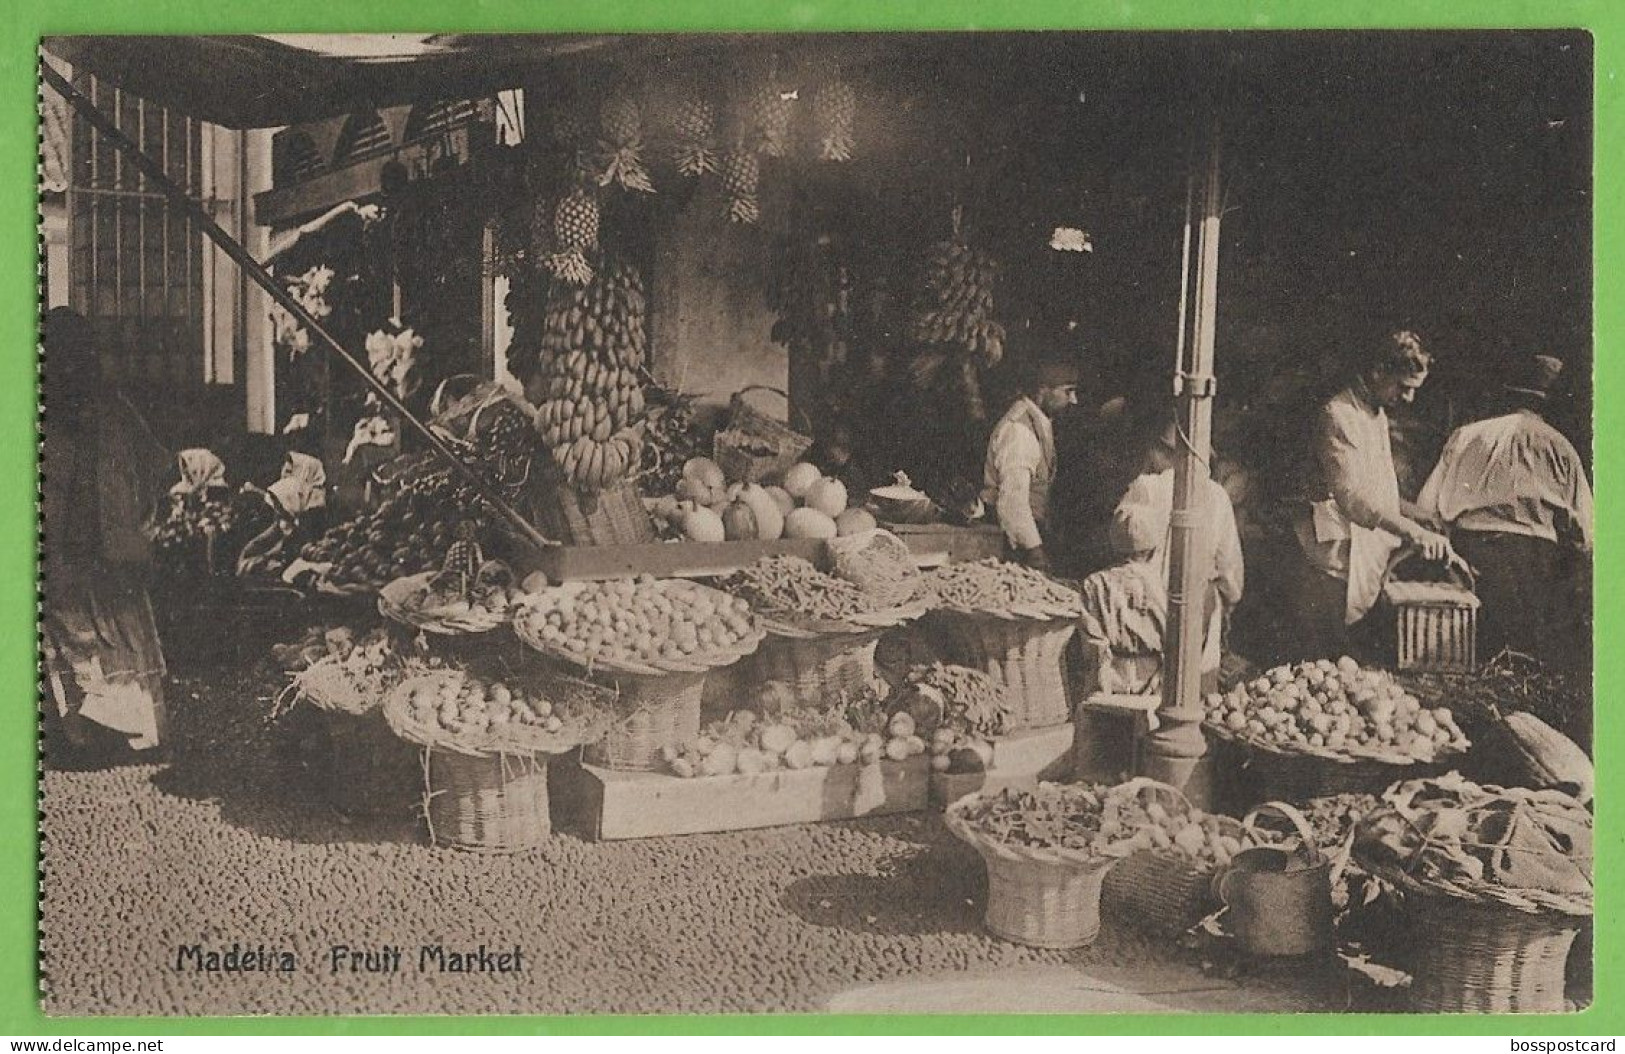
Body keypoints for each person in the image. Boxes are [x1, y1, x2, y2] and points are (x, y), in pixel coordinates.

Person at [40, 307, 173, 758]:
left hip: (105, 550)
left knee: (108, 634)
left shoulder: (113, 413)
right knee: (85, 636)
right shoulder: (59, 418)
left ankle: (106, 731)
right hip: (74, 553)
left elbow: (157, 466)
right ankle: (91, 731)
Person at [1415, 354, 1593, 667]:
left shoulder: (1469, 434)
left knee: (1466, 651)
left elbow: (1425, 508)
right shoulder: (1562, 448)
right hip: (1535, 564)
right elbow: (1586, 534)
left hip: (1470, 554)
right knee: (1522, 658)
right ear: (1547, 404)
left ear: (1506, 395)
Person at [1290, 330, 1454, 660]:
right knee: (1324, 665)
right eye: (1403, 387)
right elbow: (1352, 496)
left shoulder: (1375, 414)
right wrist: (1413, 531)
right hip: (1330, 562)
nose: (1408, 398)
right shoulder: (1337, 414)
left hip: (1364, 558)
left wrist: (1423, 518)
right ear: (1379, 371)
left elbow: (1380, 493)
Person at [1120, 420, 1245, 680]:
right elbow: (1230, 573)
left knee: (1148, 689)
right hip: (1198, 608)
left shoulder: (1145, 487)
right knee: (1196, 689)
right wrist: (1226, 606)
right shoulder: (1217, 495)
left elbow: (1120, 540)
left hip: (1145, 607)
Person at [982, 357, 1080, 571]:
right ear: (1043, 390)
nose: (1073, 400)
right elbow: (1013, 501)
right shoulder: (1020, 431)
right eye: (1067, 391)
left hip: (1025, 535)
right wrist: (1034, 551)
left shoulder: (1038, 423)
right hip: (1011, 541)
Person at [1077, 500, 1170, 695]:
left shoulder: (1094, 584)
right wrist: (1158, 680)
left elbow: (1094, 645)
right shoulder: (1164, 585)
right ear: (1154, 548)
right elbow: (1175, 641)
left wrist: (1104, 683)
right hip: (1154, 679)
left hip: (1111, 676)